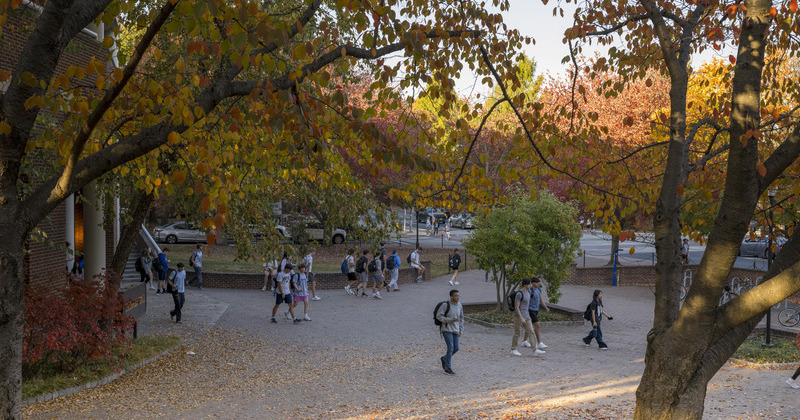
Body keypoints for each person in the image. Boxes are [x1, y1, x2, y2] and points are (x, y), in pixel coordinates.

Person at [511, 278, 545, 356]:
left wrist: (527, 315)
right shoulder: (519, 293)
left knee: (531, 331)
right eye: (529, 284)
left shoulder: (528, 293)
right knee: (517, 333)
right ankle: (513, 349)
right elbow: (517, 307)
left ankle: (535, 349)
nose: (530, 285)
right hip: (518, 316)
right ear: (525, 285)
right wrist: (521, 317)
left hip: (527, 315)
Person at [436, 289, 464, 375]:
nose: (457, 297)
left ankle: (445, 359)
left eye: (458, 295)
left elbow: (461, 318)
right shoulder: (445, 305)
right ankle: (447, 368)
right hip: (447, 329)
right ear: (451, 296)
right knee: (451, 347)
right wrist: (449, 320)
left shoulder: (459, 305)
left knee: (456, 348)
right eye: (455, 296)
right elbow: (438, 316)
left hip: (455, 329)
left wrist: (461, 329)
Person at [522, 277, 550, 351]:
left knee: (529, 326)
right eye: (536, 282)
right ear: (532, 283)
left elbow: (541, 300)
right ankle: (539, 342)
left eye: (538, 282)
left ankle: (524, 341)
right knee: (537, 325)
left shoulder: (538, 289)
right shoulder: (530, 291)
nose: (538, 284)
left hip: (536, 310)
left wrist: (545, 307)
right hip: (530, 310)